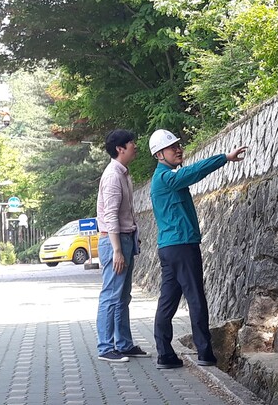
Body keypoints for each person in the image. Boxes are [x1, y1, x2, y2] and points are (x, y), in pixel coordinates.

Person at [148, 129, 247, 369]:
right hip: (182, 246)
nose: (178, 149)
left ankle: (165, 355)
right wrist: (224, 158)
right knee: (195, 298)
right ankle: (205, 352)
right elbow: (194, 172)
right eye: (172, 147)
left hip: (170, 248)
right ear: (159, 155)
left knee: (167, 302)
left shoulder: (165, 178)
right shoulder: (166, 178)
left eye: (178, 145)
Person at [95, 129, 149, 362]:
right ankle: (106, 347)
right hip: (113, 241)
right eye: (131, 143)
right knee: (111, 295)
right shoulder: (112, 176)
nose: (135, 146)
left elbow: (124, 213)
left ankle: (124, 344)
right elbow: (110, 215)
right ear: (120, 148)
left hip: (124, 239)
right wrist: (117, 250)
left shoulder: (123, 173)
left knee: (123, 296)